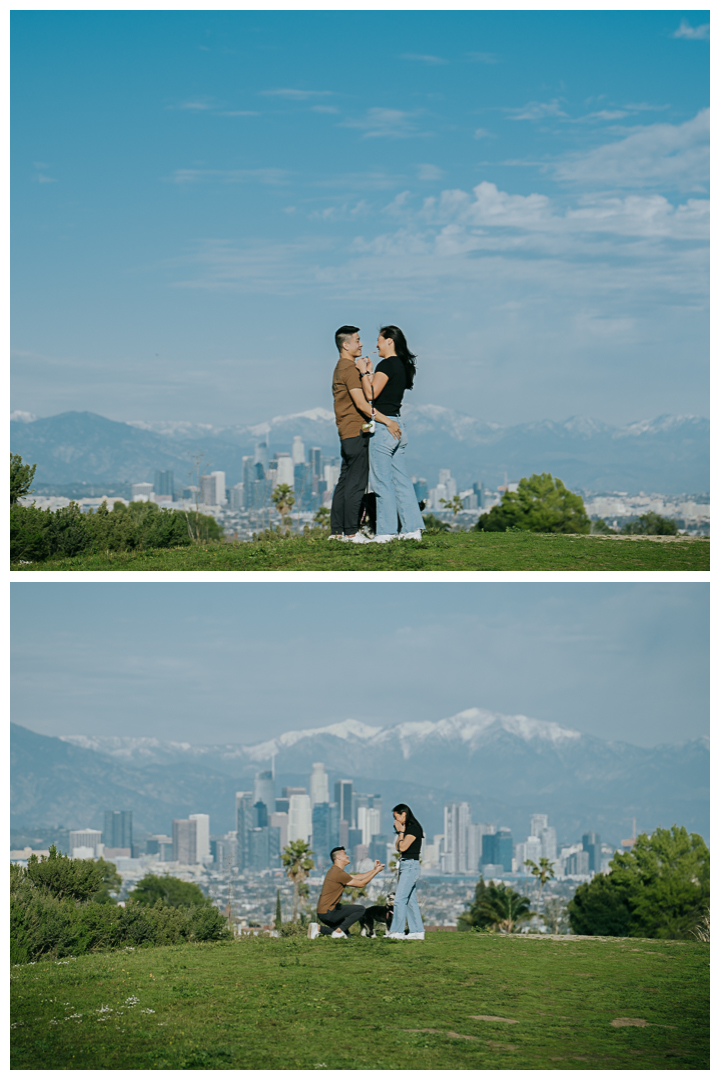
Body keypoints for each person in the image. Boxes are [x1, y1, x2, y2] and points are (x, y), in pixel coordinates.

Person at [330, 326, 401, 542]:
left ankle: (338, 532)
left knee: (344, 482)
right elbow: (362, 404)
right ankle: (352, 532)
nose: (361, 344)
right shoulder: (349, 370)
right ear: (346, 345)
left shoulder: (340, 368)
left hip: (345, 432)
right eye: (358, 340)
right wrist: (387, 421)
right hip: (356, 432)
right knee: (356, 484)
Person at [354, 326, 425, 543]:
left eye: (378, 340)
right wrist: (371, 373)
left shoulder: (387, 363)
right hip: (398, 425)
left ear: (389, 341)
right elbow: (381, 390)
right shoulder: (401, 366)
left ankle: (386, 532)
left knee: (381, 482)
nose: (376, 345)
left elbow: (370, 393)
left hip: (384, 428)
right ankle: (412, 530)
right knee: (401, 481)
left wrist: (363, 371)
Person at [308, 846, 385, 939]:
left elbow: (357, 877)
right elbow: (361, 884)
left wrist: (374, 870)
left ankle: (318, 928)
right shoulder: (338, 873)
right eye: (345, 854)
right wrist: (376, 871)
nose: (348, 856)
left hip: (326, 912)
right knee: (360, 909)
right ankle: (339, 931)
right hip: (329, 912)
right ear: (338, 857)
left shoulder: (336, 871)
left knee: (346, 936)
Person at [386, 803, 425, 940]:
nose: (395, 821)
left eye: (397, 817)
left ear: (404, 814)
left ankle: (397, 931)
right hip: (405, 865)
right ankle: (417, 931)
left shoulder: (413, 829)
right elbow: (398, 847)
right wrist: (400, 832)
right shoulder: (406, 829)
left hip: (410, 866)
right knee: (409, 900)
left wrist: (401, 832)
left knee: (400, 899)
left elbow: (402, 847)